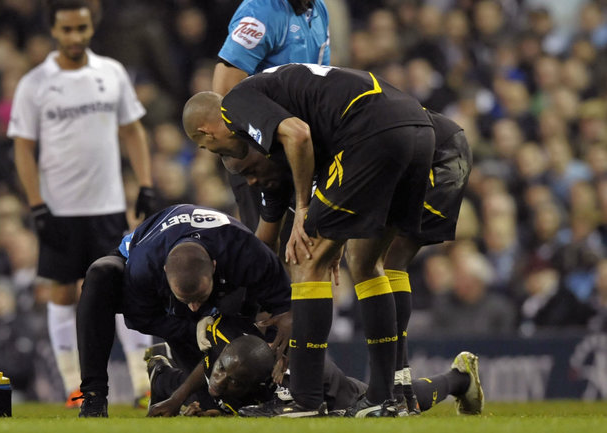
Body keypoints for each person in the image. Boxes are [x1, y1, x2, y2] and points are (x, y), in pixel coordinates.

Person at [183, 63, 436, 417]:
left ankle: (301, 398)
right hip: (418, 127)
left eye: (207, 146)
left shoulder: (235, 103)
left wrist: (304, 208)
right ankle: (383, 395)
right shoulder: (281, 93)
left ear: (205, 131)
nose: (216, 152)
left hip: (369, 130)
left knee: (304, 257)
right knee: (368, 263)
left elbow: (298, 134)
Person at [221, 109, 473, 414]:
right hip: (418, 140)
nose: (252, 181)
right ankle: (450, 380)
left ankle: (419, 383)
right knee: (380, 264)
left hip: (419, 145)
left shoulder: (297, 148)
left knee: (375, 262)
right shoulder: (284, 161)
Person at [7, 0, 156, 407]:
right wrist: (37, 204)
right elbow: (23, 148)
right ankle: (74, 384)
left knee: (123, 291)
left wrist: (145, 183)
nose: (75, 37)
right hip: (59, 209)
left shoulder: (111, 73)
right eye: (67, 29)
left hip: (108, 206)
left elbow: (133, 131)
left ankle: (145, 381)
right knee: (61, 293)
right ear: (54, 31)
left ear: (92, 27)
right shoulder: (35, 83)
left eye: (81, 29)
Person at [76, 203, 292, 417]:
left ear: (214, 266)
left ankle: (163, 378)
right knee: (100, 274)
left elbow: (285, 304)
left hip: (226, 291)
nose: (194, 306)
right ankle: (93, 395)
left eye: (199, 298)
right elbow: (140, 319)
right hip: (150, 272)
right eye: (186, 300)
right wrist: (192, 327)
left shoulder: (244, 250)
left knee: (232, 395)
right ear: (165, 271)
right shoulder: (144, 267)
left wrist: (273, 355)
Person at [145, 315, 483, 418]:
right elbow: (207, 368)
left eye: (233, 380)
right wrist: (175, 399)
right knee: (194, 395)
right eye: (221, 370)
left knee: (403, 408)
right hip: (255, 390)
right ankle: (160, 371)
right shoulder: (230, 358)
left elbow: (278, 416)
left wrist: (230, 415)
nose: (220, 380)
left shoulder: (290, 382)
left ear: (265, 379)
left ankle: (459, 377)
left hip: (339, 399)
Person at [213, 0, 330, 231]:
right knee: (268, 251)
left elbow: (322, 82)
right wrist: (250, 157)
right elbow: (225, 87)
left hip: (299, 149)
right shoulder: (261, 10)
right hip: (263, 156)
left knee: (305, 246)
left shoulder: (319, 9)